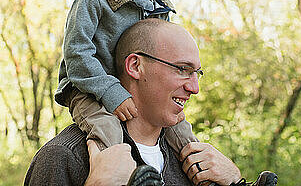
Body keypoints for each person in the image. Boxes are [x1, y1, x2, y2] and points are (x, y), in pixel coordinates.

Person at [24, 19, 278, 186]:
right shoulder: (65, 157)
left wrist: (234, 181)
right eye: (181, 69)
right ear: (136, 66)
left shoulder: (196, 162)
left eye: (196, 73)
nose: (194, 88)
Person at [54, 0, 198, 156]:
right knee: (108, 129)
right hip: (88, 88)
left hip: (136, 90)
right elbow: (76, 56)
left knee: (181, 128)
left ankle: (214, 178)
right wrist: (112, 92)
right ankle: (117, 174)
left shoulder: (159, 8)